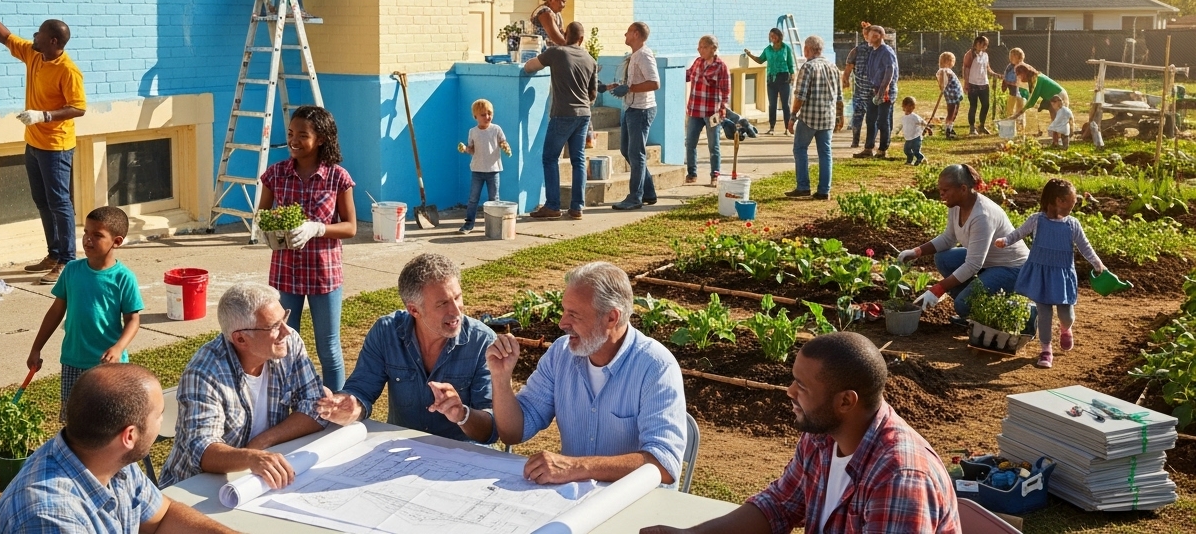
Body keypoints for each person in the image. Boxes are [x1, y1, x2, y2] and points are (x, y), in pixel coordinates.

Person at [639, 333, 960, 534]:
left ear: (845, 401)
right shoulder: (822, 435)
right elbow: (779, 505)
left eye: (802, 386)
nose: (789, 391)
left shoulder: (900, 477)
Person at [486, 262, 687, 485]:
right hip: (574, 501)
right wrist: (501, 378)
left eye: (574, 314)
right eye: (564, 311)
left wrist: (576, 467)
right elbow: (515, 432)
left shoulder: (656, 367)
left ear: (611, 318)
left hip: (635, 506)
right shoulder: (560, 354)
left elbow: (664, 464)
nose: (562, 323)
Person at [0, 363, 238, 533]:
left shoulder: (109, 460)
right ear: (129, 436)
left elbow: (163, 516)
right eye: (159, 415)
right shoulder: (51, 517)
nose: (163, 421)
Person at [0, 0, 87, 283]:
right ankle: (53, 253)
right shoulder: (35, 54)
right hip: (34, 143)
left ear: (53, 41)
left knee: (60, 203)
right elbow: (5, 37)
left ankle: (67, 262)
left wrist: (43, 116)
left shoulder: (68, 71)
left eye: (40, 33)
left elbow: (79, 108)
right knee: (42, 201)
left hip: (56, 147)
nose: (34, 35)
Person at [159, 283, 326, 488]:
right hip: (195, 487)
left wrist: (263, 442)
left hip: (255, 479)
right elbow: (203, 451)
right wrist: (251, 458)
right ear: (240, 338)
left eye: (284, 318)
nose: (286, 331)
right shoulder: (204, 373)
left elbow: (316, 408)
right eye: (274, 326)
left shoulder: (289, 344)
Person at [317, 254, 497, 442]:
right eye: (443, 303)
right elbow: (361, 390)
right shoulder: (386, 333)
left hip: (465, 459)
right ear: (414, 310)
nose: (456, 310)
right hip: (402, 454)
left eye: (458, 297)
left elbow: (492, 430)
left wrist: (463, 414)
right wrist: (352, 406)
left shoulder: (483, 342)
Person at [257, 105, 357, 390]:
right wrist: (267, 230)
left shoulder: (338, 177)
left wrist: (317, 228)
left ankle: (336, 405)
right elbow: (262, 216)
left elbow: (350, 227)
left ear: (321, 139)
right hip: (285, 274)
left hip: (324, 275)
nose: (294, 141)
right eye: (290, 134)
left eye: (303, 135)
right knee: (284, 343)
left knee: (328, 348)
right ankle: (290, 405)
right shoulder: (275, 175)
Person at [26, 206, 143, 418]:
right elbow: (55, 311)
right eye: (86, 233)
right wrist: (36, 348)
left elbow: (133, 319)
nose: (88, 239)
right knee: (75, 418)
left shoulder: (123, 278)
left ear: (116, 242)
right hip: (73, 359)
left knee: (108, 418)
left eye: (97, 235)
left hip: (108, 364)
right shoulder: (71, 270)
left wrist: (118, 348)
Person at [994, 178, 1104, 369]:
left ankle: (1065, 328)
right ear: (1059, 201)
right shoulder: (1036, 220)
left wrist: (1097, 263)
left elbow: (1085, 246)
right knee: (1044, 314)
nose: (1074, 205)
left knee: (1066, 314)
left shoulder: (1072, 225)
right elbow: (1018, 233)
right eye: (1072, 201)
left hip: (1062, 276)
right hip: (1041, 275)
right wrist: (1005, 240)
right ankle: (1046, 350)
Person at [900, 165, 1031, 321]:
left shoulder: (982, 215)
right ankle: (972, 302)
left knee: (963, 305)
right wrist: (916, 252)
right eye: (940, 189)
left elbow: (973, 265)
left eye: (945, 190)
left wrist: (938, 289)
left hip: (1012, 269)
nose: (941, 193)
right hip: (987, 261)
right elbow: (949, 238)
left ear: (963, 189)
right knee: (943, 258)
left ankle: (1016, 310)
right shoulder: (956, 205)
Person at [524, 21, 598, 220]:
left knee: (550, 157)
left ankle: (553, 205)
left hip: (562, 114)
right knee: (578, 160)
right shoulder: (590, 60)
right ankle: (576, 207)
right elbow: (593, 94)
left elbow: (530, 66)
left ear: (566, 35)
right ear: (582, 39)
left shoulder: (557, 53)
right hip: (583, 114)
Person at [606, 22, 661, 211]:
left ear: (636, 34)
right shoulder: (635, 55)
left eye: (628, 31)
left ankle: (635, 197)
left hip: (641, 110)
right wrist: (616, 87)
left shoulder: (644, 55)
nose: (625, 34)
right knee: (626, 150)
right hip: (631, 108)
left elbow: (654, 83)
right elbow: (635, 82)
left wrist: (629, 88)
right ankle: (648, 191)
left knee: (636, 154)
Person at [785, 35, 844, 201]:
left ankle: (803, 186)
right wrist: (840, 116)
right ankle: (824, 190)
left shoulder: (808, 67)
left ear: (808, 49)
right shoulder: (833, 67)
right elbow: (839, 95)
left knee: (800, 148)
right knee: (825, 153)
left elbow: (800, 95)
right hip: (828, 117)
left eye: (805, 47)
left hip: (810, 117)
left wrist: (793, 116)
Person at [457, 99, 510, 233]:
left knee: (494, 199)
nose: (487, 117)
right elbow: (472, 149)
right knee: (473, 199)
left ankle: (495, 225)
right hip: (477, 170)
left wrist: (505, 147)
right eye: (483, 114)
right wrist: (465, 149)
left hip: (494, 170)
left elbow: (503, 142)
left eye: (489, 113)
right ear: (475, 116)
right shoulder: (473, 131)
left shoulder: (496, 129)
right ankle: (469, 224)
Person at [684, 35, 731, 185]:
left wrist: (722, 109)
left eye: (703, 47)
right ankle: (692, 174)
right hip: (695, 110)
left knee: (713, 145)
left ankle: (714, 175)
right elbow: (687, 75)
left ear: (713, 48)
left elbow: (726, 91)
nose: (699, 50)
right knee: (690, 143)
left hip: (712, 112)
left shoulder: (721, 66)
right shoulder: (697, 62)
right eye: (699, 47)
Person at [854, 25, 898, 160]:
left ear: (881, 36)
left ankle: (883, 150)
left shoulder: (886, 51)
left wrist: (883, 89)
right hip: (873, 89)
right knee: (870, 119)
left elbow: (889, 71)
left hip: (885, 90)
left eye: (874, 36)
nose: (871, 38)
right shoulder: (873, 50)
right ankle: (868, 148)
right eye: (869, 36)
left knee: (883, 121)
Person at [744, 27, 795, 135]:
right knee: (772, 104)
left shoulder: (786, 48)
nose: (772, 38)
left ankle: (787, 128)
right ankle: (772, 127)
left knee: (785, 104)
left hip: (784, 77)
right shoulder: (768, 49)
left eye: (774, 35)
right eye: (770, 36)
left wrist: (793, 74)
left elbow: (790, 63)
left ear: (779, 36)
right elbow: (760, 60)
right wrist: (750, 54)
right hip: (771, 79)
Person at [841, 23, 873, 148]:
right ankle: (857, 141)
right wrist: (846, 79)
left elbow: (848, 68)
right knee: (862, 117)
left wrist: (846, 79)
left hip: (869, 91)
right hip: (862, 91)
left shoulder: (876, 49)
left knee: (863, 117)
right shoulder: (857, 50)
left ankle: (863, 142)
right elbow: (849, 67)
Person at [962, 35, 1001, 135]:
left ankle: (981, 126)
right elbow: (966, 69)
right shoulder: (970, 54)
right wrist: (966, 83)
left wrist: (995, 75)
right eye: (984, 44)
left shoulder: (985, 55)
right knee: (973, 106)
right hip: (973, 84)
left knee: (986, 105)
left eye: (986, 45)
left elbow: (987, 68)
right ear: (977, 43)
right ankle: (972, 128)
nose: (985, 47)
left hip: (984, 83)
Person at [1011, 63, 1068, 130]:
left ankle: (1062, 135)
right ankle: (1058, 134)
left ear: (1025, 73)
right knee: (1055, 117)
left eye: (1019, 75)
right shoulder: (1035, 77)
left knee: (1058, 119)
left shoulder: (1038, 80)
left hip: (1060, 96)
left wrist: (1019, 113)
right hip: (1053, 97)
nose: (1019, 78)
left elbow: (1033, 100)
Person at [937, 52, 963, 140]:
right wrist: (942, 86)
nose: (953, 63)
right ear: (947, 61)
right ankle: (948, 129)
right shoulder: (944, 70)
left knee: (955, 112)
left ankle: (950, 127)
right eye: (952, 61)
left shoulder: (946, 70)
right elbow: (942, 80)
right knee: (951, 112)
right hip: (951, 96)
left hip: (955, 95)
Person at [1003, 47, 1027, 132]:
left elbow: (1021, 80)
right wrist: (1005, 82)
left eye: (1013, 56)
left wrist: (1009, 82)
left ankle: (1020, 126)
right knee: (1010, 109)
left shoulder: (1022, 67)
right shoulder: (1010, 66)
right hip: (1012, 91)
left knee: (1020, 109)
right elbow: (1005, 75)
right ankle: (1010, 126)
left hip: (1021, 92)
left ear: (1020, 57)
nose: (1010, 58)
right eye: (1010, 56)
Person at [900, 96, 928, 166]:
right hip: (908, 138)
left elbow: (923, 122)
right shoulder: (903, 117)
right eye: (909, 106)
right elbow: (902, 125)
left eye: (912, 106)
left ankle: (920, 158)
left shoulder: (914, 117)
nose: (911, 108)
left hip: (916, 137)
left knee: (916, 150)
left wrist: (927, 128)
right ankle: (909, 160)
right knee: (906, 150)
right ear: (904, 106)